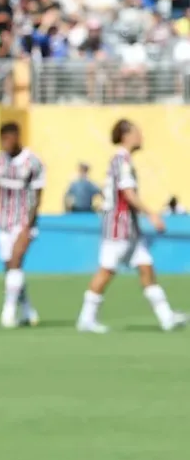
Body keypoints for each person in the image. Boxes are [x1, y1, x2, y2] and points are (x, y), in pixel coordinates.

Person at [76, 119, 187, 333]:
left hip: (130, 228)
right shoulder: (121, 160)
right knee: (107, 270)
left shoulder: (122, 160)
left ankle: (166, 317)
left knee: (146, 267)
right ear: (126, 135)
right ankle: (86, 318)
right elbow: (128, 194)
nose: (141, 137)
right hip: (119, 227)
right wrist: (152, 214)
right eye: (137, 133)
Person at [0, 122, 46, 328]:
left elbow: (38, 197)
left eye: (8, 139)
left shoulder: (33, 162)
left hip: (23, 223)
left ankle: (8, 311)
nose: (5, 143)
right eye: (2, 139)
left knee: (15, 262)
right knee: (11, 268)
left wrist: (28, 226)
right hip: (3, 222)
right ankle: (28, 310)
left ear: (17, 137)